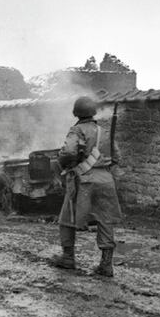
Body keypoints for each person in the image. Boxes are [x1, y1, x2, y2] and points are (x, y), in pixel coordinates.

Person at [50, 96, 122, 277]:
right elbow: (117, 156)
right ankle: (106, 265)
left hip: (83, 180)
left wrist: (64, 164)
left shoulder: (77, 130)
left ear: (76, 113)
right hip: (106, 179)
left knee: (67, 218)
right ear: (93, 112)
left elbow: (68, 152)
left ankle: (68, 258)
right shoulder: (104, 131)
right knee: (105, 220)